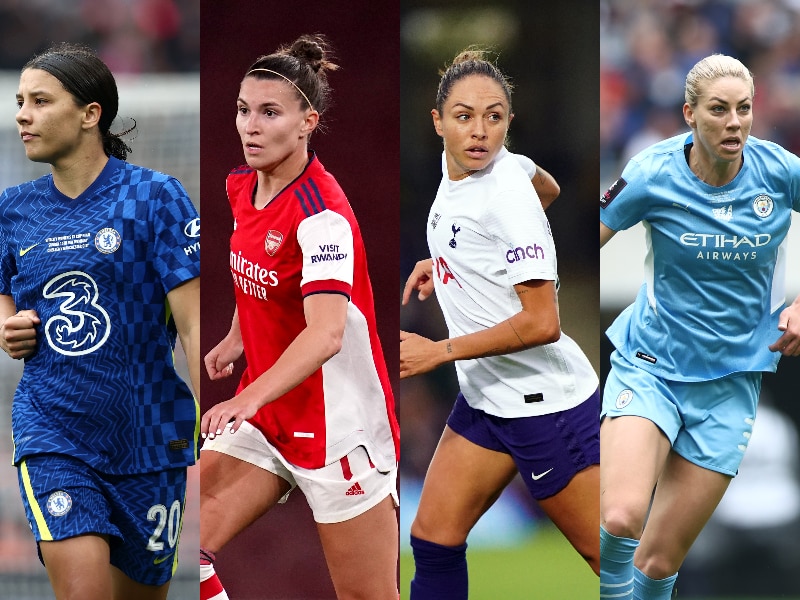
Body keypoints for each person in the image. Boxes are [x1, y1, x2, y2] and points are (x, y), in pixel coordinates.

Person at [198, 35, 400, 600]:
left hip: (337, 429)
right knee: (174, 547)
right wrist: (240, 334)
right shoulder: (244, 185)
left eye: (269, 113)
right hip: (269, 419)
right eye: (243, 110)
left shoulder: (323, 216)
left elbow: (327, 332)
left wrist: (247, 396)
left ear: (307, 121)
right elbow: (259, 269)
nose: (250, 127)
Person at [0, 43, 201, 600]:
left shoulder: (156, 198)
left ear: (91, 114)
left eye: (41, 101)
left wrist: (221, 426)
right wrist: (6, 323)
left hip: (151, 437)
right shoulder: (13, 209)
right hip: (53, 431)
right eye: (21, 101)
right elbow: (2, 294)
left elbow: (193, 325)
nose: (23, 114)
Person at [400, 48, 600, 599]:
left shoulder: (505, 193)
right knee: (434, 538)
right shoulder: (493, 167)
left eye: (494, 116)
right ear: (437, 120)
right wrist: (445, 262)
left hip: (544, 405)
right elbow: (550, 188)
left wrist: (438, 351)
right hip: (489, 397)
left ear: (509, 120)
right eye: (464, 116)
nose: (480, 130)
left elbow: (543, 324)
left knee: (612, 561)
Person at [599, 53, 800, 600]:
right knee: (619, 517)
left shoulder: (780, 172)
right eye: (718, 110)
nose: (734, 122)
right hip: (651, 367)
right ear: (690, 113)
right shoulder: (649, 174)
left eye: (743, 109)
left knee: (659, 563)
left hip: (731, 385)